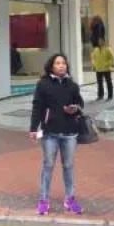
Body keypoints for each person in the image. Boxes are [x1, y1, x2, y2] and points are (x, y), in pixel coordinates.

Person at [29, 53, 84, 215]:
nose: (61, 66)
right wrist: (33, 128)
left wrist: (74, 108)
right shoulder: (43, 84)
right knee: (48, 166)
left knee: (68, 166)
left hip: (70, 133)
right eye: (58, 63)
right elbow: (37, 106)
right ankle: (44, 201)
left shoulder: (72, 85)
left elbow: (80, 103)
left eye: (64, 63)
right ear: (51, 66)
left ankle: (70, 199)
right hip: (50, 133)